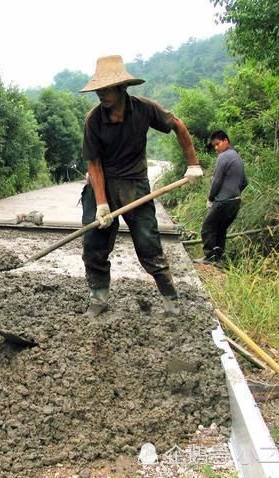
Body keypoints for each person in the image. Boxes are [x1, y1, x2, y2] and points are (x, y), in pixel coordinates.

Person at [79, 55, 203, 317]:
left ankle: (171, 300)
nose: (101, 95)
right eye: (98, 90)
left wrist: (192, 163)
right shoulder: (94, 120)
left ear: (122, 88)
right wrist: (101, 203)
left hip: (135, 183)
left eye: (106, 90)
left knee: (148, 244)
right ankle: (99, 298)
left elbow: (177, 125)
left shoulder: (145, 109)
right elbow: (94, 164)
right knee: (93, 243)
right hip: (102, 183)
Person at [197, 130, 248, 263]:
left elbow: (217, 181)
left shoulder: (224, 156)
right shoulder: (236, 156)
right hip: (235, 201)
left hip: (223, 201)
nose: (216, 148)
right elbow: (245, 182)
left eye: (217, 144)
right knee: (220, 229)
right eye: (214, 146)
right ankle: (219, 258)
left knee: (207, 228)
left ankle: (210, 257)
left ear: (226, 141)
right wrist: (235, 192)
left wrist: (211, 198)